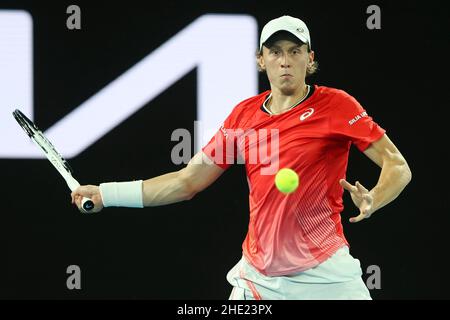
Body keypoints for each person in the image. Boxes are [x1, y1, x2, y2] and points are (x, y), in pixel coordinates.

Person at [71, 15, 412, 300]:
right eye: (275, 52)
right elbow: (187, 181)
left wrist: (374, 199)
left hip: (327, 276)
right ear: (261, 60)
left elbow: (397, 166)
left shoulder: (337, 106)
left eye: (295, 51)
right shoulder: (243, 116)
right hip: (259, 279)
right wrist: (106, 193)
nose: (285, 60)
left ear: (310, 59)